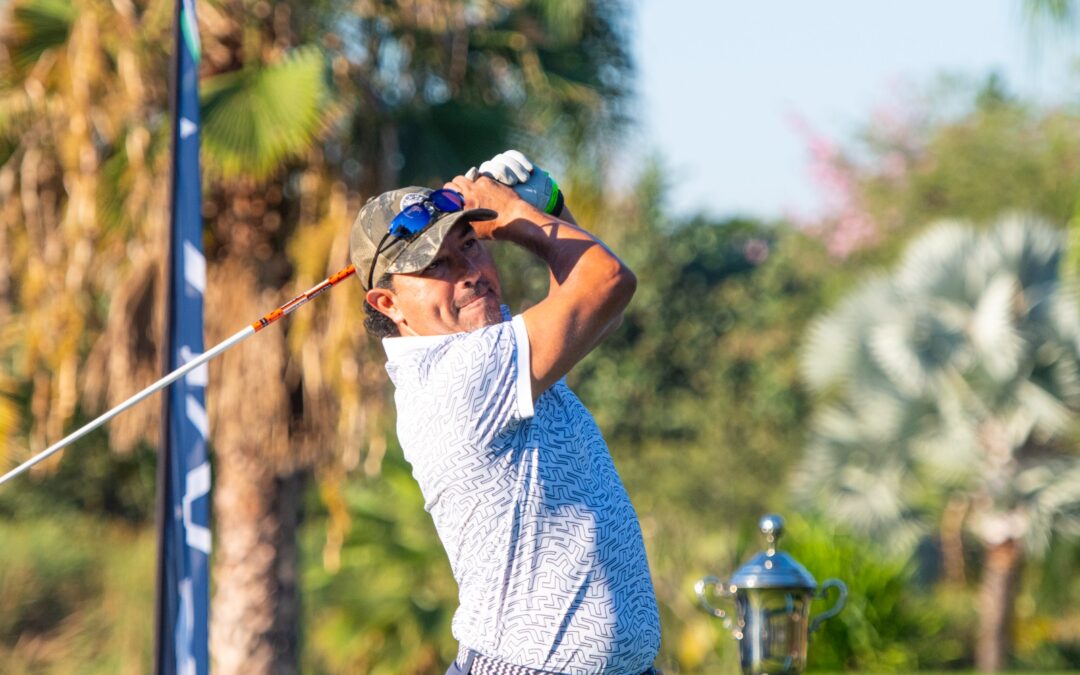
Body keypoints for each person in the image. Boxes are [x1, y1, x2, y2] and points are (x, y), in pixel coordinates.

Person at [350, 150, 661, 675]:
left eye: (470, 245)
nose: (470, 272)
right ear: (388, 305)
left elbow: (594, 306)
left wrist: (553, 209)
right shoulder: (458, 376)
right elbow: (606, 282)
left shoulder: (489, 345)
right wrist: (513, 213)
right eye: (438, 266)